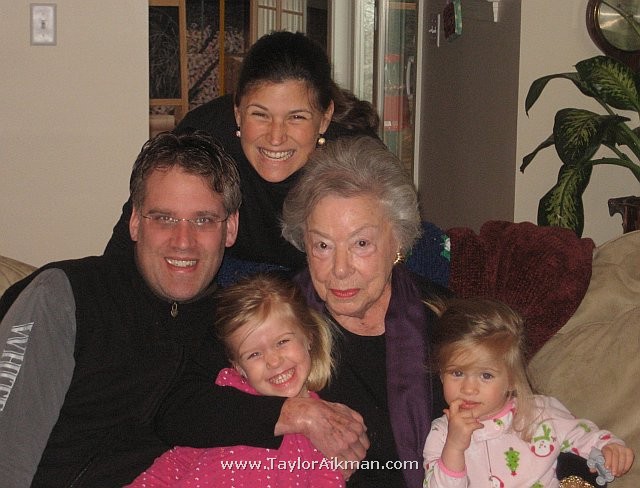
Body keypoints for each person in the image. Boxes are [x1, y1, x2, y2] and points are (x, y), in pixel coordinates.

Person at [0, 131, 368, 487]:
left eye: (204, 220)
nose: (183, 241)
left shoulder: (232, 325)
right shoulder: (63, 296)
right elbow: (7, 452)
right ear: (134, 221)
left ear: (230, 228)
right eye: (164, 218)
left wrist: (313, 422)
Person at [105, 30, 379, 270]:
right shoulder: (204, 138)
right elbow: (131, 241)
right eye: (260, 115)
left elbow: (386, 261)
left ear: (325, 118)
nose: (275, 137)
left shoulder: (358, 161)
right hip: (222, 279)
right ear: (237, 112)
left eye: (296, 117)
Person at [280, 135, 452, 488]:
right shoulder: (275, 321)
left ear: (398, 241)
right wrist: (289, 413)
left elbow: (517, 419)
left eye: (361, 243)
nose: (340, 269)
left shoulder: (445, 320)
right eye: (323, 245)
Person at [127, 273, 345, 487]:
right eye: (254, 354)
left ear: (309, 336)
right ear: (239, 367)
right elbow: (178, 461)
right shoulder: (226, 400)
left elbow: (329, 478)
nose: (273, 361)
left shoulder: (329, 423)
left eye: (282, 342)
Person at [422, 297, 635, 488]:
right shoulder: (442, 433)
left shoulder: (540, 412)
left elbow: (582, 435)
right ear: (441, 375)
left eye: (486, 375)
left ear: (512, 380)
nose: (468, 388)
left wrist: (610, 447)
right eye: (457, 373)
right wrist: (454, 447)